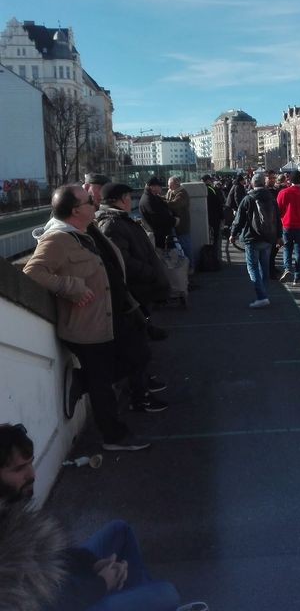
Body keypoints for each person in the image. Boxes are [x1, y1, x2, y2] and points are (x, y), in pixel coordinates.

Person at [23, 184, 162, 451]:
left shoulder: (82, 232)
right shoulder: (57, 239)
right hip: (86, 325)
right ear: (76, 211)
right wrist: (72, 287)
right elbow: (31, 273)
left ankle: (83, 381)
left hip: (107, 318)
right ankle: (114, 437)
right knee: (103, 386)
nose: (94, 203)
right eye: (89, 201)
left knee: (137, 355)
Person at [0, 423, 185, 611]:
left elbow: (53, 556)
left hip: (65, 590)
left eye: (30, 462)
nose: (31, 474)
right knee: (167, 593)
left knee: (119, 531)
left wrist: (93, 564)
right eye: (18, 469)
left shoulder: (11, 509)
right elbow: (49, 602)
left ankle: (139, 597)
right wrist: (102, 583)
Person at [96, 183, 171, 343]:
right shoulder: (112, 224)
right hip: (138, 284)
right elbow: (122, 260)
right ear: (123, 199)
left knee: (142, 316)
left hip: (141, 282)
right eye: (129, 197)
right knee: (136, 325)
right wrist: (149, 272)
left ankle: (147, 331)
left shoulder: (117, 220)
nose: (130, 200)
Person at [229, 173, 282, 308]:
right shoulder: (271, 198)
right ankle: (264, 293)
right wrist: (278, 236)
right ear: (264, 184)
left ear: (252, 184)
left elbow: (239, 219)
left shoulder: (248, 199)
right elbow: (277, 219)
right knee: (264, 268)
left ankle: (261, 296)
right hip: (268, 238)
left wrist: (233, 234)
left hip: (251, 238)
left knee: (252, 268)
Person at [277, 170, 300, 285]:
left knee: (287, 248)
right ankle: (298, 277)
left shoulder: (283, 193)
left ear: (289, 180)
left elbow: (278, 210)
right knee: (299, 252)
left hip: (287, 225)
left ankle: (287, 268)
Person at [139, 177, 176, 249]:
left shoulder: (153, 197)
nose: (161, 188)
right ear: (152, 187)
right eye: (159, 186)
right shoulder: (149, 200)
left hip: (162, 237)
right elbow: (159, 218)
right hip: (160, 240)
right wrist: (174, 221)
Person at [166, 177, 194, 271]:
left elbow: (174, 204)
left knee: (186, 246)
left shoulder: (182, 194)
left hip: (182, 225)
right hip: (176, 224)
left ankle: (190, 267)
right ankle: (185, 267)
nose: (168, 186)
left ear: (176, 184)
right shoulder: (171, 192)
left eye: (169, 184)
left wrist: (160, 202)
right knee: (181, 246)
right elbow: (167, 200)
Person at [202, 174, 224, 262]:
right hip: (215, 217)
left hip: (205, 218)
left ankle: (209, 259)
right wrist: (222, 217)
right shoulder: (213, 190)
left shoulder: (202, 190)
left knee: (207, 239)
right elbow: (219, 204)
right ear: (208, 180)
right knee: (216, 239)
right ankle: (216, 258)